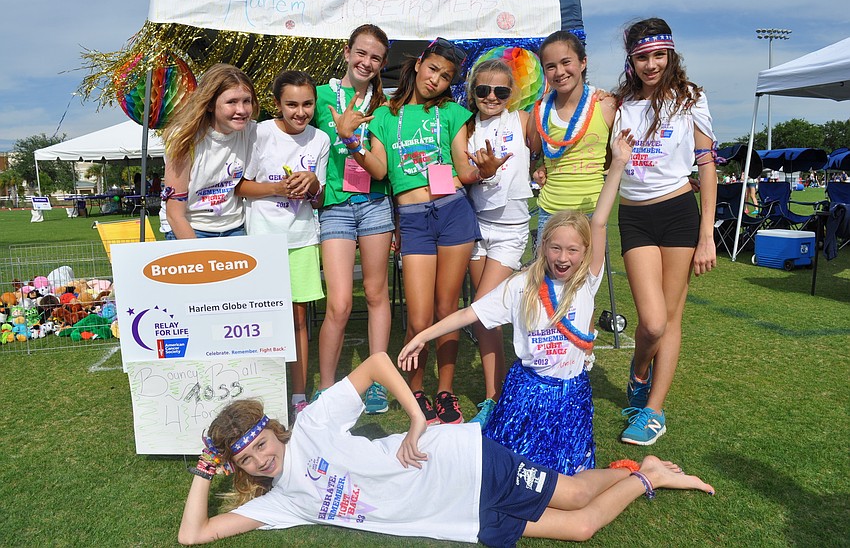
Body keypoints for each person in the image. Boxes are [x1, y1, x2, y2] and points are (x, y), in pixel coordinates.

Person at [177, 352, 715, 546]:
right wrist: (205, 468)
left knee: (574, 495)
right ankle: (646, 474)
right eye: (246, 461)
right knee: (580, 528)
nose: (261, 460)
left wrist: (417, 419)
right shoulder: (280, 503)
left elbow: (377, 363)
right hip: (460, 518)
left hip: (464, 462)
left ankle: (640, 472)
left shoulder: (313, 423)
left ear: (275, 430)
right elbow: (192, 535)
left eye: (261, 445)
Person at [399, 129, 635, 475]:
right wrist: (422, 336)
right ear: (542, 246)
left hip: (571, 398)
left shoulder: (586, 281)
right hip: (525, 393)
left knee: (568, 474)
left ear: (585, 253)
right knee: (511, 472)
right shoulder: (521, 285)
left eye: (572, 250)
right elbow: (468, 313)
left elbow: (598, 222)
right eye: (555, 248)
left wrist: (618, 165)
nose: (563, 258)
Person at [330, 38, 506, 425]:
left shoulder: (453, 113)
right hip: (412, 220)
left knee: (446, 310)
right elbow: (379, 170)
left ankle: (445, 392)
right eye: (433, 69)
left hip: (453, 213)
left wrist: (484, 172)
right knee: (419, 315)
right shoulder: (383, 115)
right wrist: (349, 140)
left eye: (445, 76)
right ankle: (416, 389)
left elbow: (463, 170)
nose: (436, 80)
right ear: (418, 64)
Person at [613, 18, 717, 446]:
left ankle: (653, 411)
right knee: (651, 323)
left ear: (671, 55)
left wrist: (707, 235)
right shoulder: (619, 103)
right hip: (634, 217)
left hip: (678, 214)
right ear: (631, 60)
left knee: (671, 319)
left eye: (659, 55)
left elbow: (707, 167)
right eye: (642, 57)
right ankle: (640, 372)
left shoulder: (691, 98)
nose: (651, 64)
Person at [236, 70, 329, 418]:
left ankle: (298, 395)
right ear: (277, 104)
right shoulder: (259, 132)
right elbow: (240, 187)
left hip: (302, 239)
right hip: (262, 241)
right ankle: (263, 393)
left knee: (299, 321)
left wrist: (313, 184)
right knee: (263, 321)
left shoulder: (320, 139)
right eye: (292, 104)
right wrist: (277, 188)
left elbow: (319, 200)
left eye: (307, 104)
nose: (300, 112)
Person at [312, 24, 395, 414]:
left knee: (377, 295)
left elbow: (380, 169)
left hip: (375, 204)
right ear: (346, 53)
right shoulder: (320, 96)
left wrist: (350, 139)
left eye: (375, 57)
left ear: (382, 64)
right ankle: (326, 388)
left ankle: (378, 382)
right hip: (335, 207)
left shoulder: (385, 106)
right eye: (361, 53)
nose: (366, 62)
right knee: (340, 303)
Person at [463, 59, 534, 426]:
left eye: (501, 91)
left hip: (510, 230)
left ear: (512, 94)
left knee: (481, 310)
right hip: (476, 226)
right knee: (485, 318)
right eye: (483, 90)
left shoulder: (522, 120)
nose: (491, 97)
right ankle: (497, 395)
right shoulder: (466, 125)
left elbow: (555, 137)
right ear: (472, 91)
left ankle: (497, 397)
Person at [529, 31, 619, 238]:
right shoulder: (539, 111)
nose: (559, 72)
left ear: (583, 62)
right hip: (550, 212)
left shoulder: (607, 105)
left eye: (566, 62)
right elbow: (534, 159)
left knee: (593, 262)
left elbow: (613, 158)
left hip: (593, 212)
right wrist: (539, 170)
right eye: (550, 66)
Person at [162, 63, 258, 239]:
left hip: (234, 227)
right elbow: (175, 215)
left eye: (247, 101)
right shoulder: (184, 138)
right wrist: (200, 252)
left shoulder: (252, 131)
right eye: (231, 102)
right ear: (210, 104)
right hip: (190, 228)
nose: (242, 110)